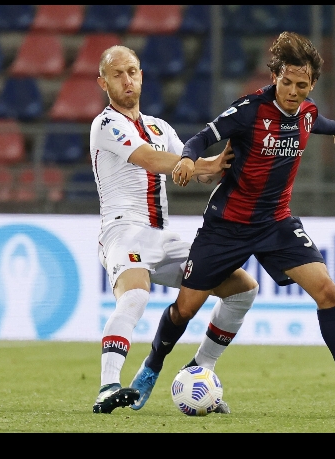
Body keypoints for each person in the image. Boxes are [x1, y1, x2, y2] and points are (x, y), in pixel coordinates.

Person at [130, 31, 335, 412]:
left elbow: (317, 121)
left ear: (312, 85)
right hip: (227, 225)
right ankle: (151, 368)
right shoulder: (249, 111)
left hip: (276, 224)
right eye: (286, 82)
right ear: (275, 77)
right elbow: (201, 138)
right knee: (185, 309)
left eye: (301, 85)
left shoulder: (307, 112)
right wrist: (187, 159)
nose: (293, 92)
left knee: (327, 292)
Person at [90, 45, 259, 414]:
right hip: (123, 232)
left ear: (141, 76)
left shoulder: (159, 127)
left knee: (243, 289)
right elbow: (151, 159)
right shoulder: (105, 125)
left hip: (162, 237)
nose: (127, 80)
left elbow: (191, 168)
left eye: (132, 71)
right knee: (136, 296)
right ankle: (107, 387)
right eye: (117, 74)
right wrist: (203, 164)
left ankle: (201, 369)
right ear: (103, 83)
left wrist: (227, 162)